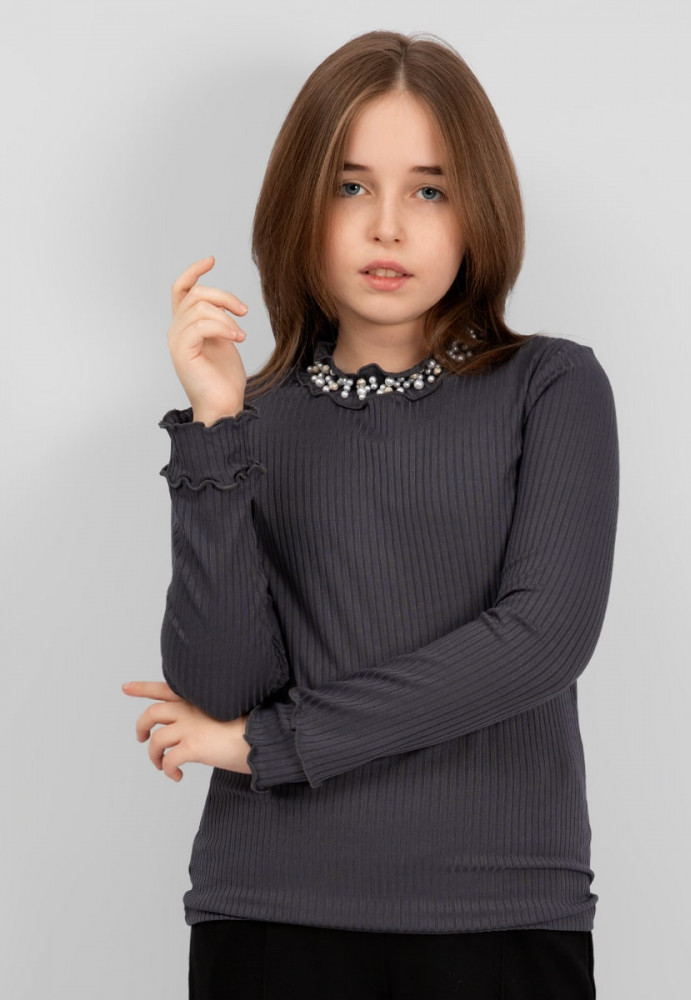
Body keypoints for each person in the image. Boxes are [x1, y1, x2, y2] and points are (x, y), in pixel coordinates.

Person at [123, 29, 618, 999]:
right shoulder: (251, 421)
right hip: (268, 913)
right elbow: (220, 684)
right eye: (351, 186)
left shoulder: (551, 388)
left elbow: (542, 639)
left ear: (478, 210)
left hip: (499, 915)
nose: (388, 227)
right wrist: (215, 426)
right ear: (300, 205)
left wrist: (274, 745)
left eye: (429, 190)